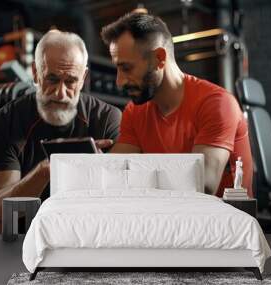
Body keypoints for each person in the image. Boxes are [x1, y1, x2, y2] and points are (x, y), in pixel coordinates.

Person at [100, 12, 253, 197]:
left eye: (126, 68)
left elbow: (201, 186)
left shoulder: (217, 104)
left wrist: (132, 174)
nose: (119, 81)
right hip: (167, 217)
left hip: (222, 221)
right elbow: (114, 177)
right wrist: (97, 167)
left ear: (159, 58)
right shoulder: (135, 111)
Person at [0, 30, 121, 232]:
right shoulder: (2, 122)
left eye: (71, 81)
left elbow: (123, 198)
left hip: (80, 215)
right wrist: (47, 170)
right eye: (52, 79)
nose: (60, 93)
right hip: (21, 220)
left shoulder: (107, 118)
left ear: (83, 78)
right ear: (36, 73)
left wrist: (100, 172)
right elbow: (3, 210)